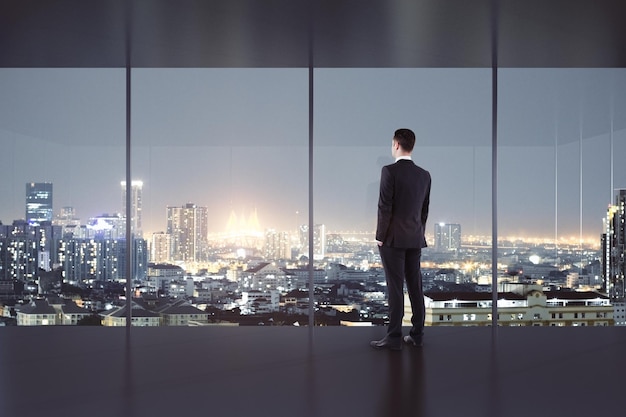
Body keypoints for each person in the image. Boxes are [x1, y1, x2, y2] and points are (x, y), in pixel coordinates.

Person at [370, 128, 431, 351]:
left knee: (395, 287)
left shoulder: (389, 171)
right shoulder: (424, 175)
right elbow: (424, 210)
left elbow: (384, 206)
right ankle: (417, 334)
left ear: (396, 145)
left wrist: (380, 236)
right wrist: (418, 232)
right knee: (415, 286)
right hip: (415, 238)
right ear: (411, 146)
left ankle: (394, 337)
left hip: (393, 239)